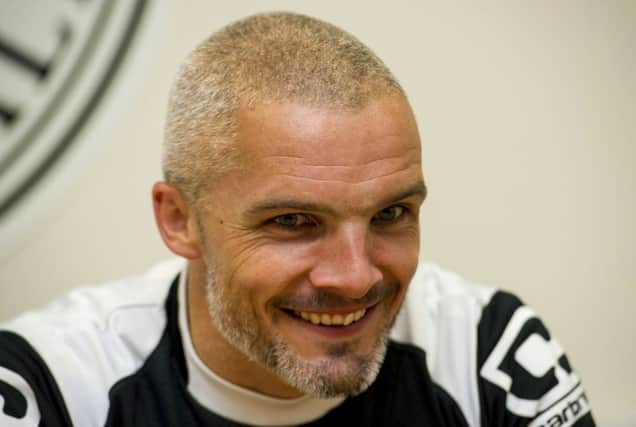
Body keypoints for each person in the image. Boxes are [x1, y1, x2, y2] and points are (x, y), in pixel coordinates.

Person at [0, 12, 595, 427]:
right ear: (180, 220)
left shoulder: (484, 352)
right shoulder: (51, 383)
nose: (355, 277)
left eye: (391, 213)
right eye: (292, 221)